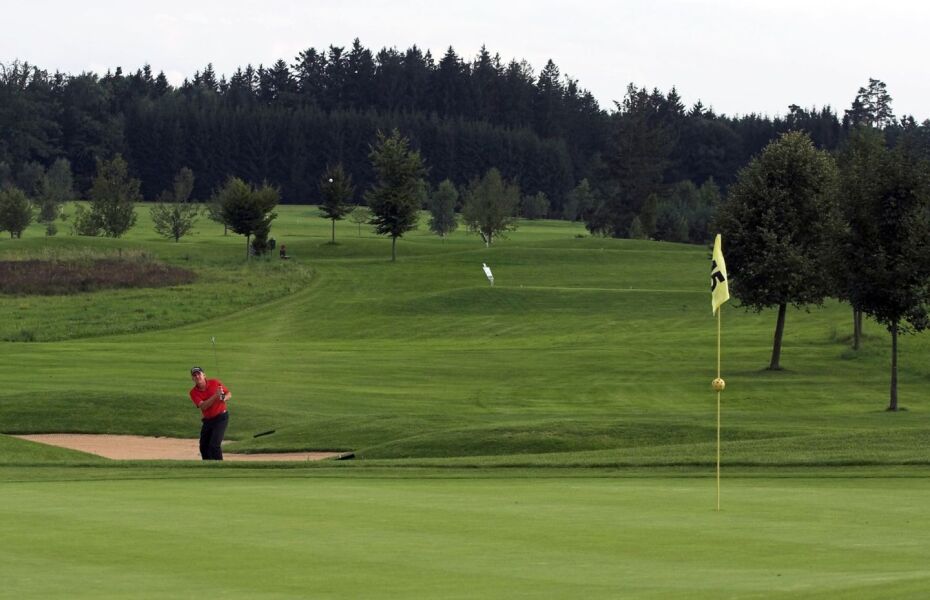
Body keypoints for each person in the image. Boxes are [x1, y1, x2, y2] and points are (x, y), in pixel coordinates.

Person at [189, 366, 230, 460]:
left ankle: (220, 468)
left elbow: (228, 394)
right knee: (203, 446)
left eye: (199, 374)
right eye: (194, 375)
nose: (197, 376)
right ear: (192, 378)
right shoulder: (193, 392)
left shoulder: (215, 382)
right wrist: (216, 395)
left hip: (221, 418)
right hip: (208, 421)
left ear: (204, 375)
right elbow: (203, 406)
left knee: (214, 445)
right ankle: (207, 467)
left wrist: (223, 397)